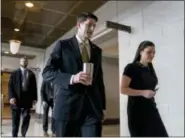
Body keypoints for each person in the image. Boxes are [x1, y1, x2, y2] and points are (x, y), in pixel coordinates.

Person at [42, 12, 106, 137]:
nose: (92, 29)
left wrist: (102, 107)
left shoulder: (97, 51)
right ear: (79, 25)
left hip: (92, 109)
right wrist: (72, 78)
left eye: (94, 26)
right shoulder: (63, 45)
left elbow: (99, 79)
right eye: (89, 25)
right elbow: (47, 72)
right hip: (67, 107)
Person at [121, 41, 168, 137]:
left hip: (151, 108)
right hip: (137, 112)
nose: (152, 55)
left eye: (154, 52)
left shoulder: (150, 68)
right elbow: (123, 89)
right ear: (141, 51)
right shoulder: (131, 68)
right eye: (149, 52)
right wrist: (143, 92)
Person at [8, 57, 37, 137]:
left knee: (26, 117)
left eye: (25, 61)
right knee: (15, 119)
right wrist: (11, 97)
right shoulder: (14, 73)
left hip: (27, 98)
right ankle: (14, 135)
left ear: (27, 63)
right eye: (22, 61)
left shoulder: (31, 74)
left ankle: (23, 134)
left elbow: (34, 87)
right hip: (16, 98)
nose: (24, 62)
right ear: (20, 62)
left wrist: (34, 98)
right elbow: (10, 86)